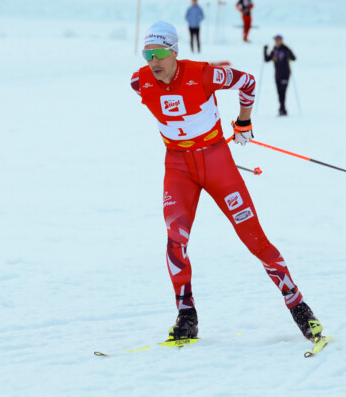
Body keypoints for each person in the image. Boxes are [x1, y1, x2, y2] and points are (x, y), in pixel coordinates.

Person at [130, 20, 323, 345]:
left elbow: (246, 82)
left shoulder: (203, 73)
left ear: (175, 51)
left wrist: (244, 121)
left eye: (161, 52)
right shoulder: (140, 81)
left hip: (216, 163)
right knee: (175, 239)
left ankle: (299, 307)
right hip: (178, 167)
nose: (154, 61)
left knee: (254, 239)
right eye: (148, 53)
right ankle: (186, 315)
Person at [264, 35, 296, 116]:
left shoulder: (285, 49)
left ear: (281, 40)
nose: (276, 42)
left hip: (285, 73)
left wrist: (288, 53)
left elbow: (293, 58)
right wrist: (265, 50)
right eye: (275, 40)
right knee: (279, 92)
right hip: (277, 74)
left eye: (278, 40)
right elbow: (267, 59)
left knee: (283, 92)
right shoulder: (274, 50)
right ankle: (282, 108)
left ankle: (282, 108)